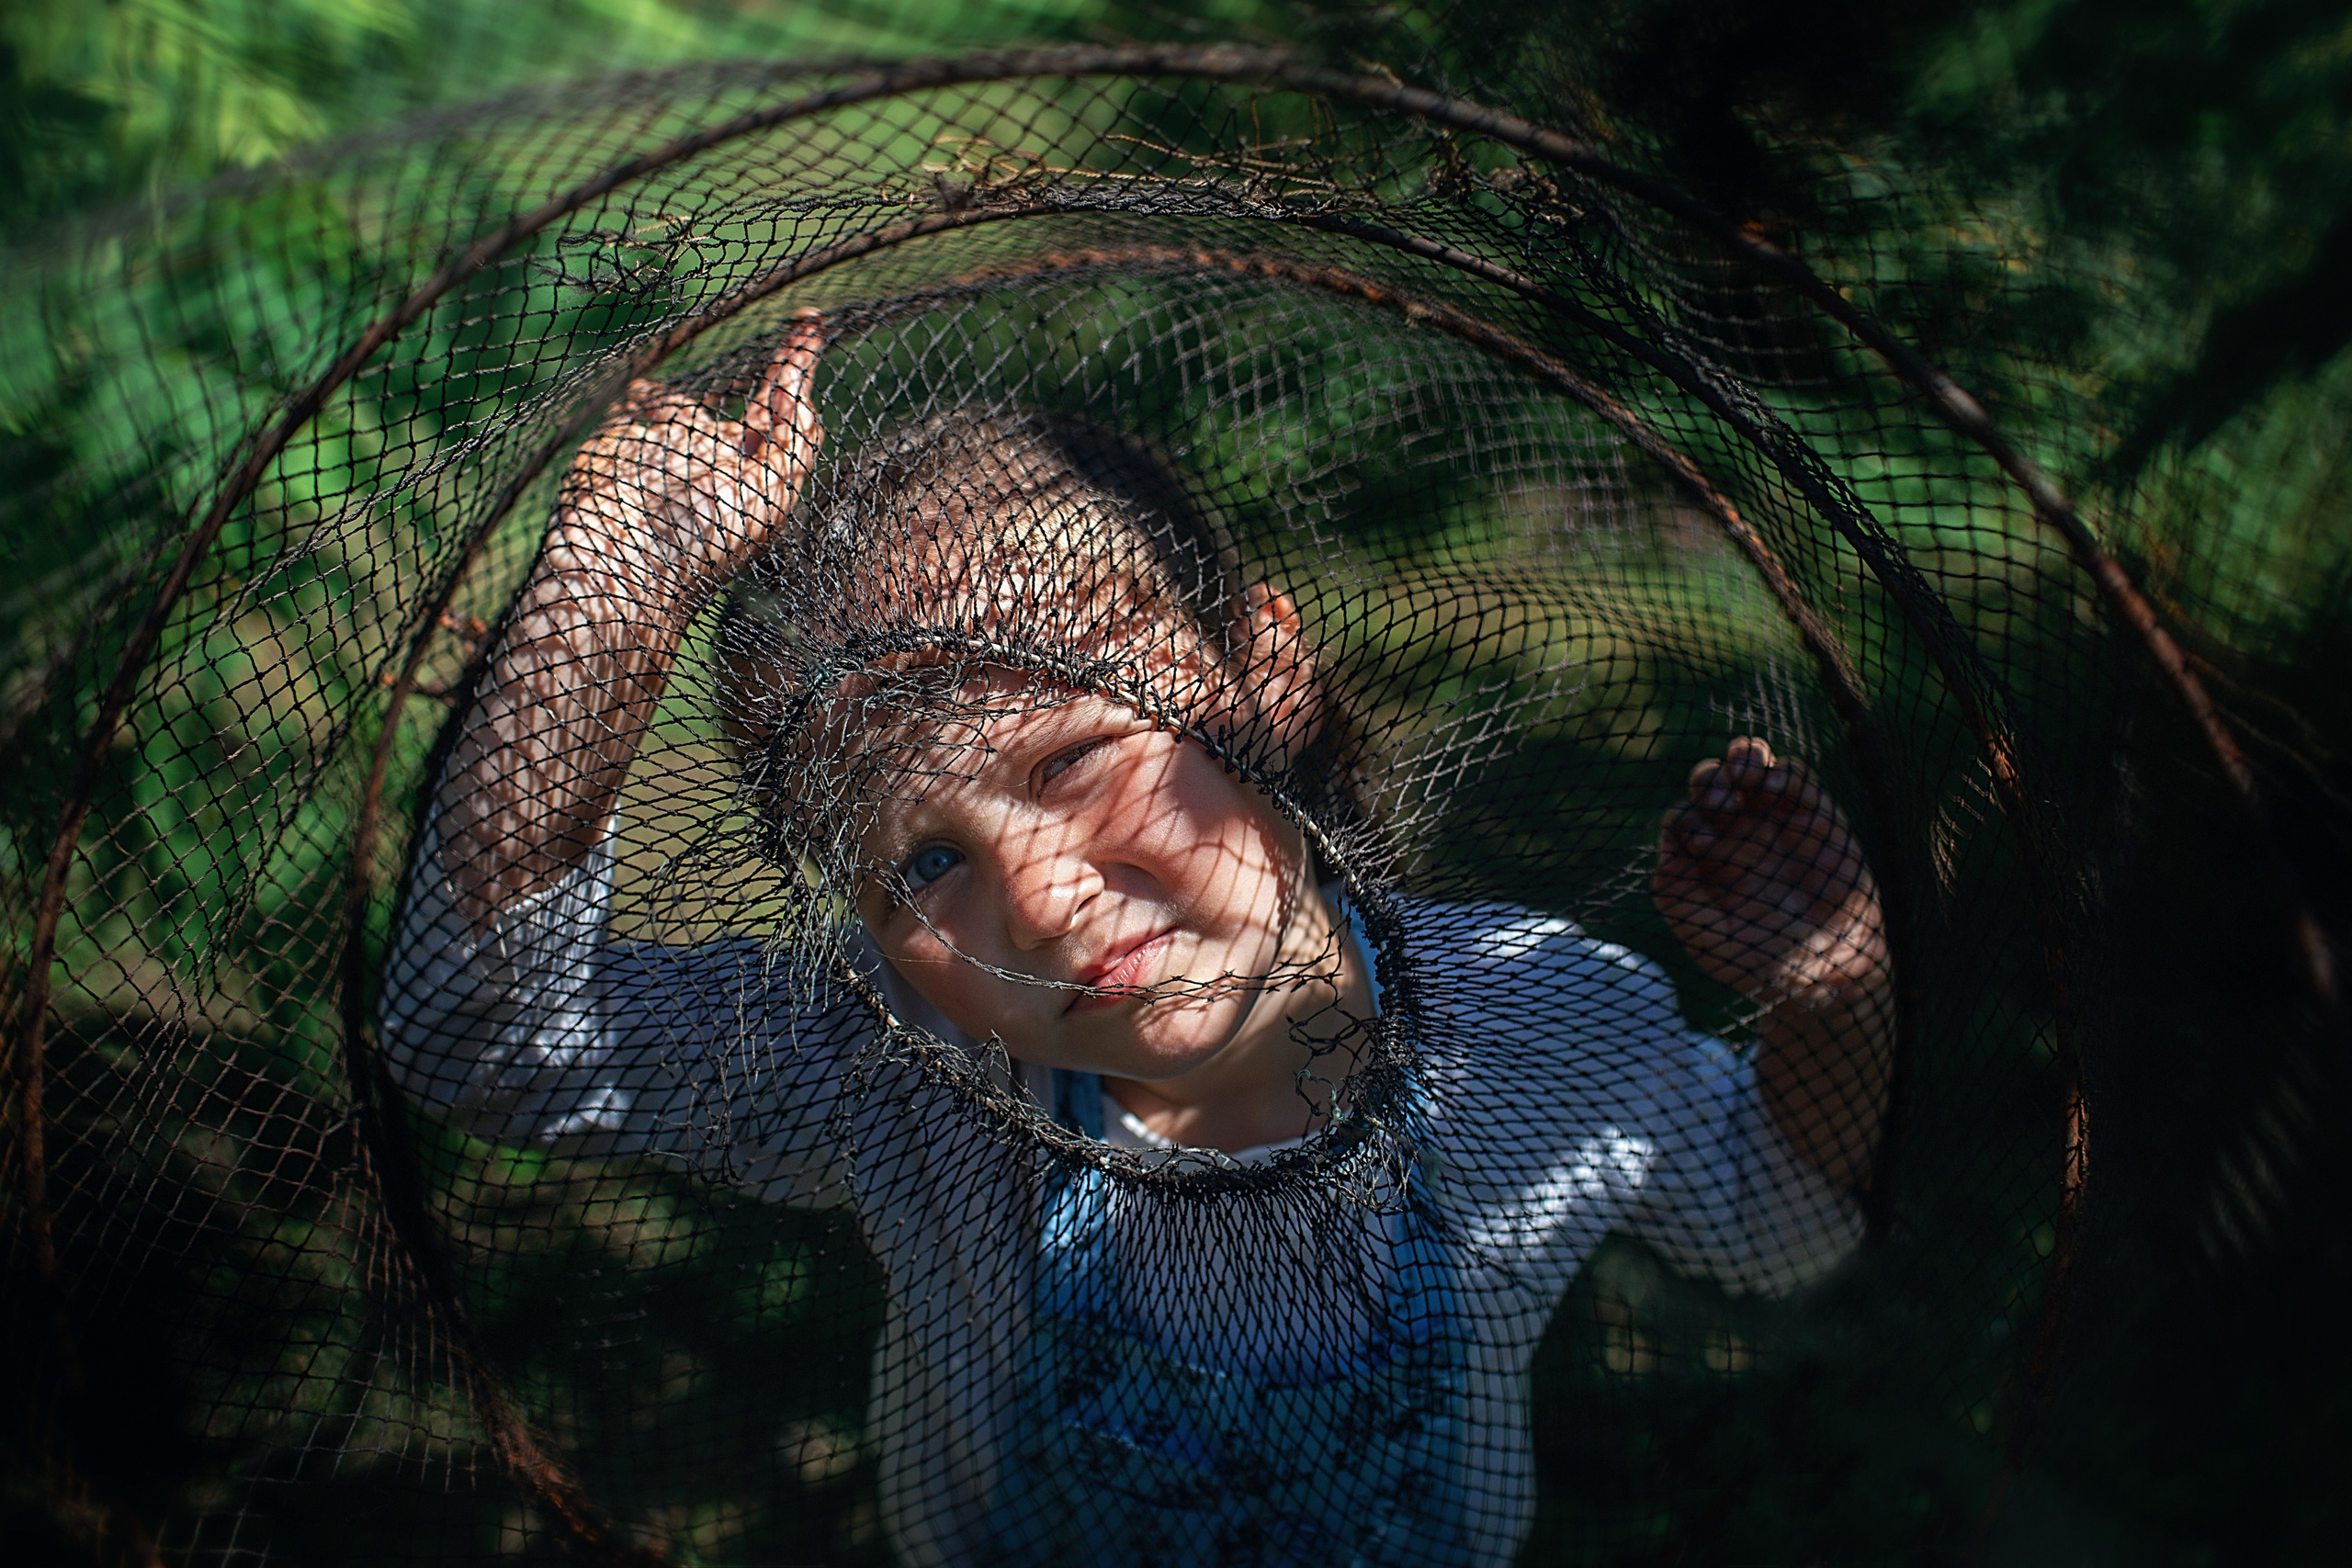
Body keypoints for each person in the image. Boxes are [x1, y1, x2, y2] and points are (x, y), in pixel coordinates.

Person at [382, 312, 1893, 1567]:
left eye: (1068, 761)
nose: (1036, 900)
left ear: (1264, 674)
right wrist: (604, 601)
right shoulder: (900, 1073)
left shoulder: (1533, 1032)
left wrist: (1832, 997)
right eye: (923, 861)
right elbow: (480, 1038)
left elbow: (1775, 1221)